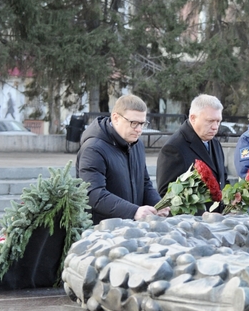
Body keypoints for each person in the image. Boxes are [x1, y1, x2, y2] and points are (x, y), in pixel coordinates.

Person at [76, 94, 169, 224]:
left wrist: (158, 204)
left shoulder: (137, 144)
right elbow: (93, 194)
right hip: (102, 231)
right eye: (134, 123)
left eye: (142, 124)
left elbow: (144, 183)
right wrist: (134, 211)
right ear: (116, 118)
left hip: (131, 227)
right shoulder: (93, 149)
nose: (139, 130)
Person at [156, 94, 228, 205]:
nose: (215, 127)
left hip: (218, 219)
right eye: (210, 121)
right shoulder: (174, 148)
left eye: (218, 121)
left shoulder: (215, 143)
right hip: (193, 221)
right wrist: (202, 215)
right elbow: (166, 197)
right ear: (193, 118)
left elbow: (222, 180)